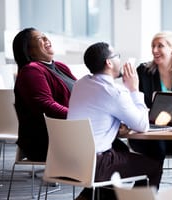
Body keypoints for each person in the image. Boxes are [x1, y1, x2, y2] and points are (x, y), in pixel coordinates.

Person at [67, 42, 162, 200]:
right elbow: (143, 125)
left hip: (69, 161)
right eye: (117, 56)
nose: (120, 60)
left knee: (120, 151)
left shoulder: (80, 84)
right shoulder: (115, 92)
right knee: (153, 166)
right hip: (95, 165)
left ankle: (87, 196)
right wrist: (134, 90)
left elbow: (98, 115)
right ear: (109, 62)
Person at [128, 31, 172, 183]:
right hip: (149, 134)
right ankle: (146, 195)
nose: (154, 50)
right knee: (156, 147)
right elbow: (134, 104)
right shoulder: (143, 71)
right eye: (153, 46)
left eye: (160, 46)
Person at [13, 27, 77, 161]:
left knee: (115, 147)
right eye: (39, 39)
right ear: (29, 50)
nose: (46, 39)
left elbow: (83, 93)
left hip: (71, 132)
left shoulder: (60, 66)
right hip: (48, 141)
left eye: (45, 36)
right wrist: (81, 116)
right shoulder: (31, 71)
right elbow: (47, 105)